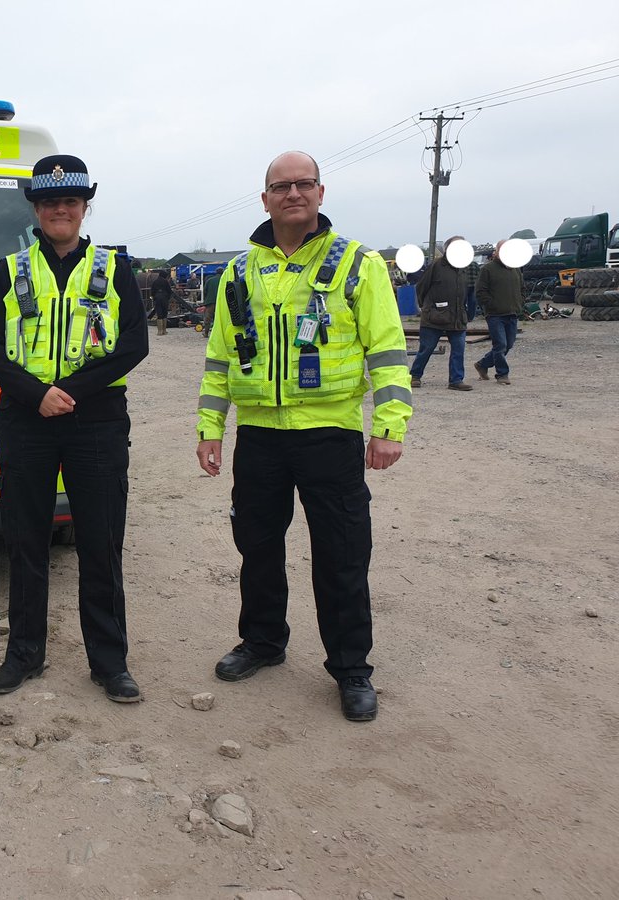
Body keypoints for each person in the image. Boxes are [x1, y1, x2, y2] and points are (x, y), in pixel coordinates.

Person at [195, 151, 412, 723]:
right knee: (257, 549)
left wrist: (389, 428)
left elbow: (389, 353)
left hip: (330, 436)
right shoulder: (239, 272)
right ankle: (263, 642)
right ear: (264, 198)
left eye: (303, 184)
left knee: (341, 555)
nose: (293, 193)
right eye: (280, 186)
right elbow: (219, 358)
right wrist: (209, 428)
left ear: (321, 193)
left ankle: (351, 669)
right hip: (260, 438)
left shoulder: (358, 265)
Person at [0, 154, 149, 703]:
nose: (60, 209)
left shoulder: (115, 268)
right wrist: (36, 395)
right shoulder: (9, 270)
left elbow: (133, 345)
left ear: (84, 207)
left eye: (70, 201)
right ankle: (24, 654)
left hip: (95, 423)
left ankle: (109, 661)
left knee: (101, 544)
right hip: (26, 422)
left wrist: (72, 392)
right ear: (35, 207)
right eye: (50, 201)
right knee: (25, 542)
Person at [409, 235, 473, 391]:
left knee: (459, 349)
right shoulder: (436, 266)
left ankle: (456, 380)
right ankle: (414, 376)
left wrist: (467, 312)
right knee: (427, 348)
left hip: (458, 317)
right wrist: (428, 307)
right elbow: (421, 287)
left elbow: (470, 291)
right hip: (434, 317)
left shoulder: (465, 268)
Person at [473, 239, 525, 385]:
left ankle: (482, 364)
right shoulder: (487, 269)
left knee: (508, 344)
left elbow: (522, 288)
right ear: (497, 251)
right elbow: (480, 291)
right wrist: (491, 305)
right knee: (500, 344)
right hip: (495, 315)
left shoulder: (516, 269)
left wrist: (520, 302)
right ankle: (502, 374)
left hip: (512, 313)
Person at [150, 269, 173, 335]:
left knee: (159, 313)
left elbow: (152, 291)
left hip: (157, 298)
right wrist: (168, 298)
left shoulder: (155, 282)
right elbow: (169, 291)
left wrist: (154, 297)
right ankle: (164, 330)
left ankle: (159, 331)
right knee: (164, 313)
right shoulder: (166, 282)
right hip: (164, 298)